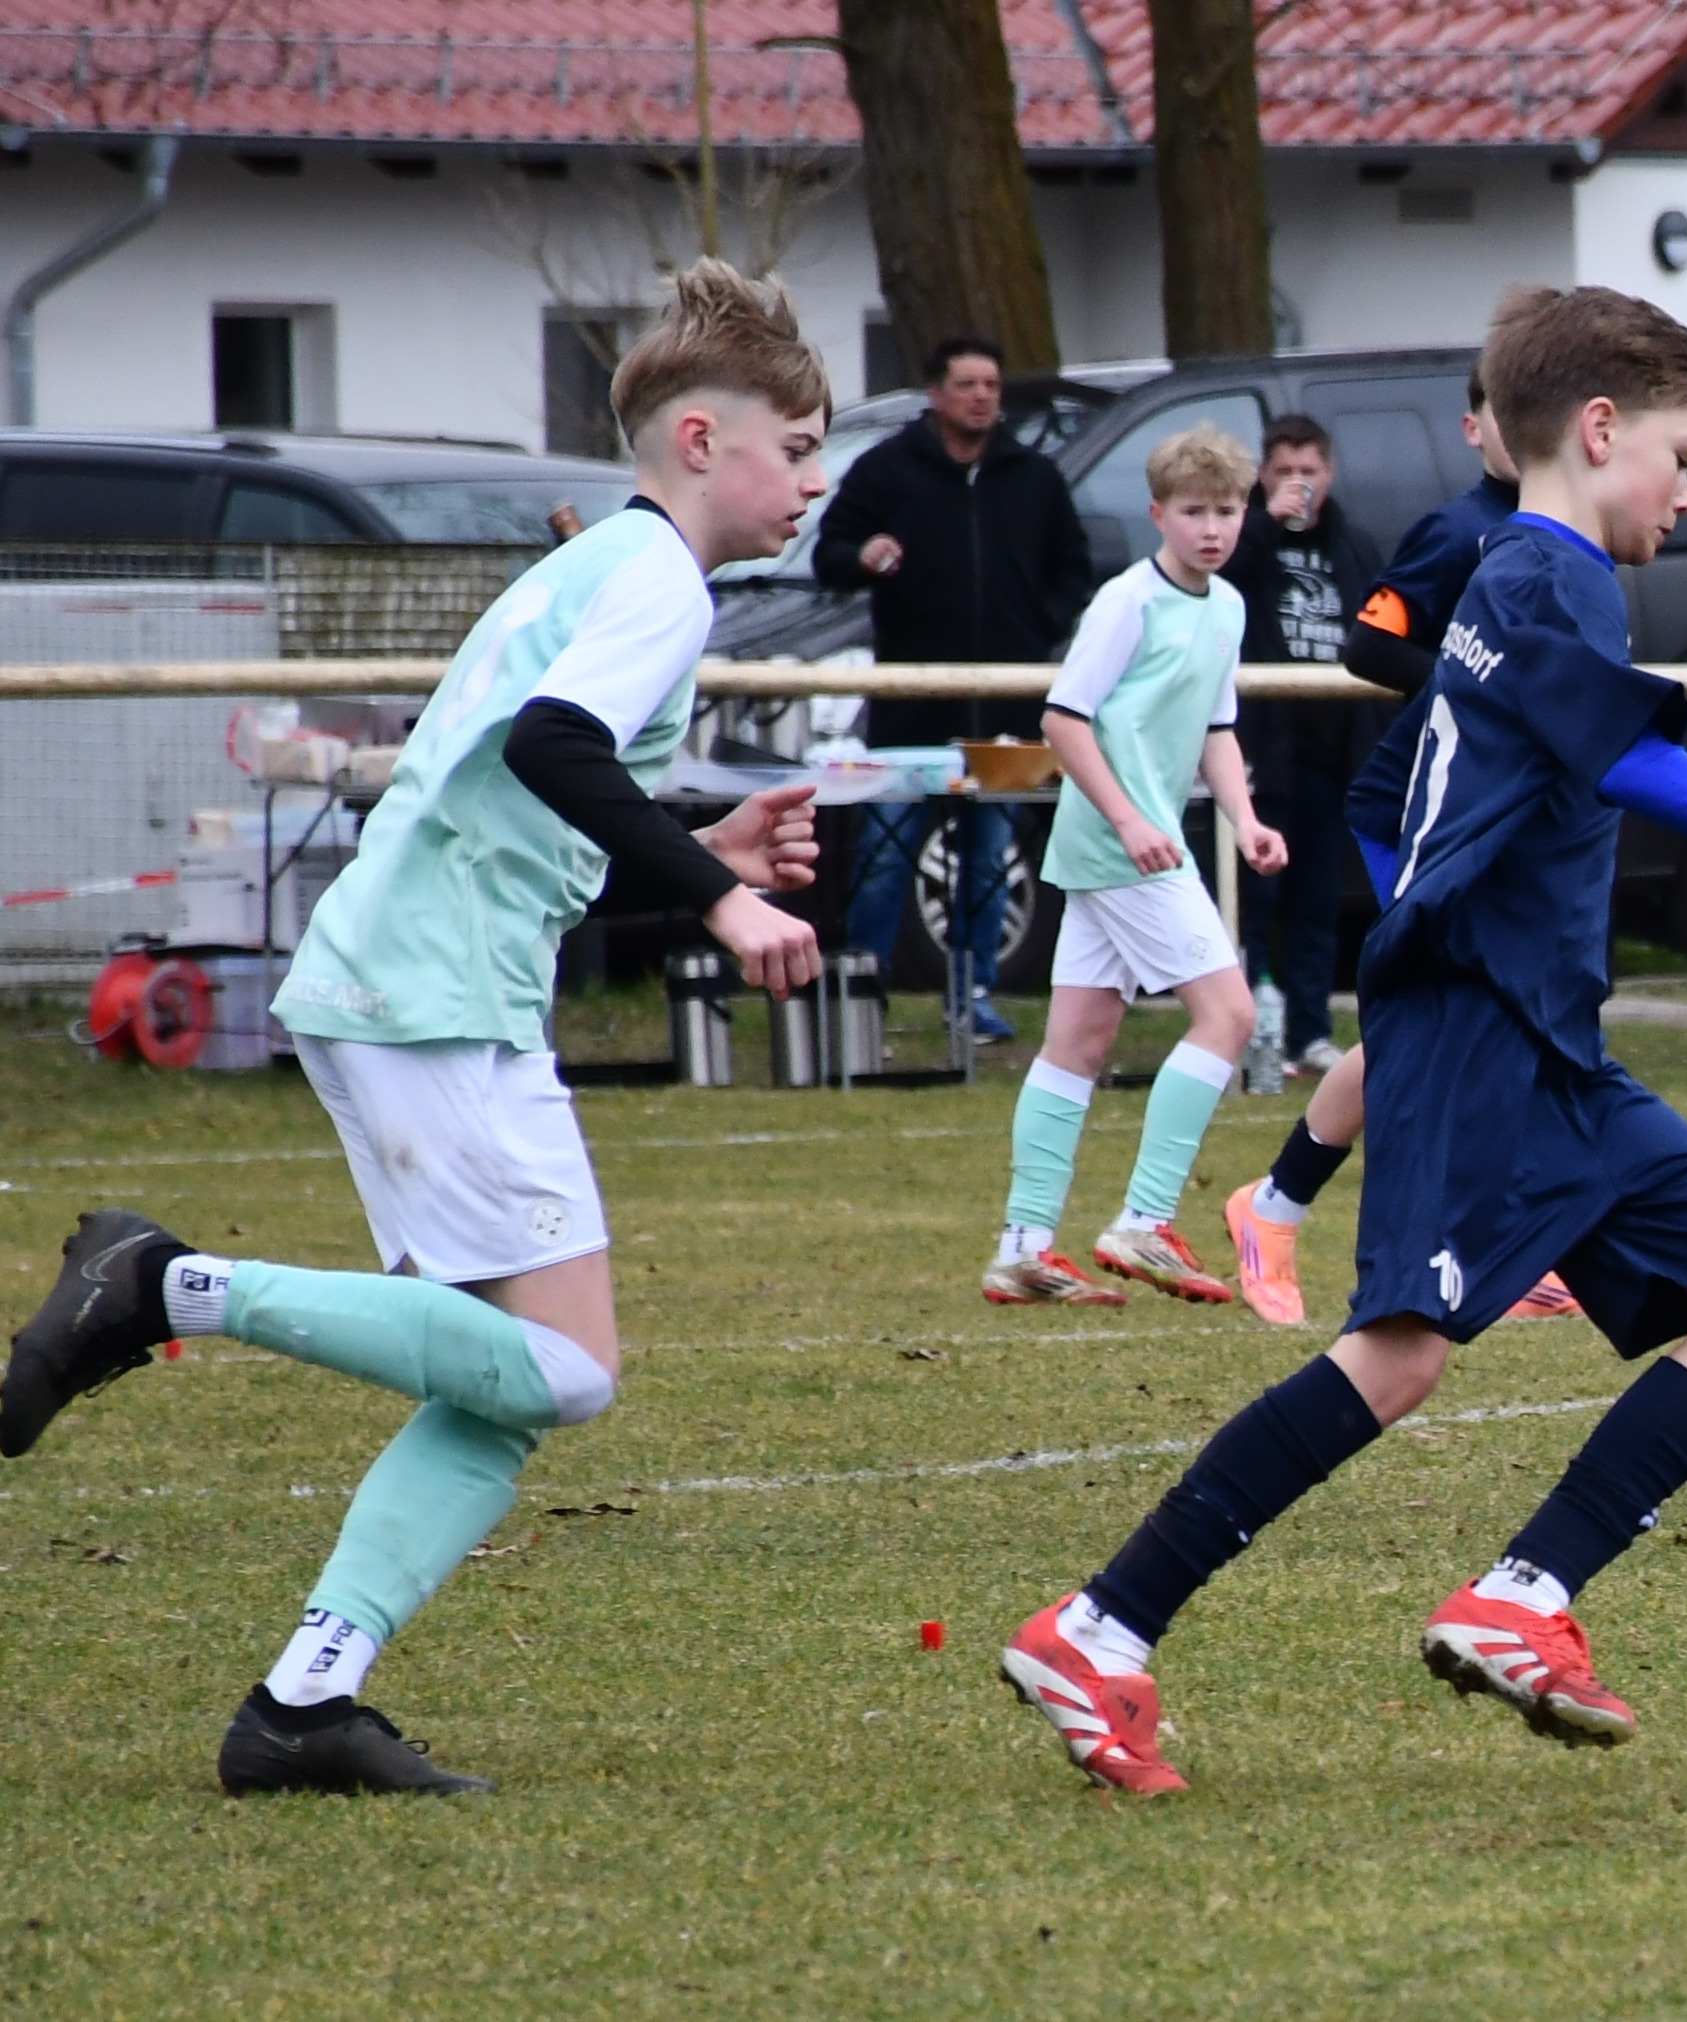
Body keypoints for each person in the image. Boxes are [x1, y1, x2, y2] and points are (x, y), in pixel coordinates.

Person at [998, 285, 1687, 1793]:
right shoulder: (1546, 572)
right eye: (1682, 455)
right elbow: (1629, 760)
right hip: (1473, 1025)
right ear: (1599, 431)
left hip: (1550, 1040)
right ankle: (1102, 1626)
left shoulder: (1521, 572)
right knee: (1396, 1361)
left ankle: (1523, 1596)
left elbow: (1471, 772)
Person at [1, 260, 833, 1794]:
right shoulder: (656, 578)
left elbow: (515, 799)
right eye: (796, 447)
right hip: (431, 995)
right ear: (701, 440)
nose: (814, 480)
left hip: (434, 980)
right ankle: (167, 1284)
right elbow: (555, 746)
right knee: (565, 1369)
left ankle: (303, 1703)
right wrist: (724, 903)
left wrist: (699, 853)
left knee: (511, 1387)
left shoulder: (601, 567)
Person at [1219, 366, 1579, 1330]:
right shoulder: (1461, 531)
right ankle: (1280, 1204)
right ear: (1474, 429)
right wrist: (1480, 686)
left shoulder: (1563, 533)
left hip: (1505, 819)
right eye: (1508, 415)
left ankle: (1489, 1238)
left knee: (1493, 1020)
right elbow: (1370, 644)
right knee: (1438, 1019)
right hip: (1426, 813)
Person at [980, 422, 1287, 1309]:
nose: (1211, 528)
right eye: (1193, 512)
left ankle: (1022, 1251)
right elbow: (1063, 719)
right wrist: (1128, 819)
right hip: (1123, 845)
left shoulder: (1225, 607)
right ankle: (1144, 1222)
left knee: (1078, 1041)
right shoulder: (1127, 602)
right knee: (1228, 1015)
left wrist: (1245, 820)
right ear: (1158, 514)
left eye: (1226, 511)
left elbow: (1217, 727)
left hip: (1137, 842)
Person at [815, 336, 1095, 1041]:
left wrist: (1039, 627)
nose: (981, 398)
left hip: (1004, 714)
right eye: (967, 385)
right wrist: (864, 557)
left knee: (989, 862)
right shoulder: (886, 470)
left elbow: (1073, 570)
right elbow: (829, 555)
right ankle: (863, 995)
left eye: (991, 386)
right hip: (907, 711)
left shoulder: (1034, 478)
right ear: (936, 394)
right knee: (884, 858)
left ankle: (972, 996)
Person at [1222, 413, 1384, 1077]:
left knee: (1317, 901)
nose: (1297, 483)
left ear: (1330, 473)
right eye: (1283, 471)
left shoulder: (1353, 543)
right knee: (1256, 900)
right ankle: (1250, 1026)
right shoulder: (1244, 537)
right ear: (1262, 475)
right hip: (1264, 750)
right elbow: (1220, 585)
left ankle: (1309, 1031)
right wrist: (1264, 523)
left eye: (1308, 471)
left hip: (1332, 749)